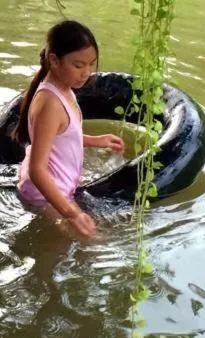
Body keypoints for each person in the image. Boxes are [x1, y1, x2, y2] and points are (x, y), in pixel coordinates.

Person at [17, 20, 124, 239]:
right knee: (94, 245)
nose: (86, 72)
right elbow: (38, 170)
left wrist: (96, 140)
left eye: (91, 64)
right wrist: (71, 213)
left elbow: (62, 136)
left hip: (56, 182)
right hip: (44, 193)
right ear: (54, 60)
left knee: (93, 237)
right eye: (78, 65)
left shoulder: (64, 89)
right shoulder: (50, 103)